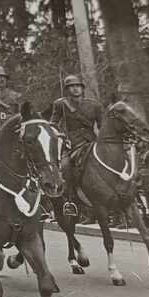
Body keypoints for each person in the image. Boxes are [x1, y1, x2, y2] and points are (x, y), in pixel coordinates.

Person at [50, 73, 103, 216]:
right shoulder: (61, 104)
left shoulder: (94, 105)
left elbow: (102, 126)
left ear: (82, 88)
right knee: (66, 167)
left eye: (77, 86)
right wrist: (58, 133)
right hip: (72, 143)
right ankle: (70, 201)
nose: (75, 89)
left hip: (91, 141)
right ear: (67, 90)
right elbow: (53, 124)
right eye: (71, 87)